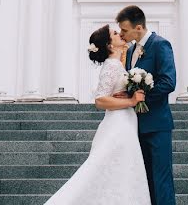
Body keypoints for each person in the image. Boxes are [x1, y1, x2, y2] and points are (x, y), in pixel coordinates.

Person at [43, 24, 150, 205]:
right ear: (109, 45)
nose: (120, 34)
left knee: (122, 170)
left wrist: (131, 93)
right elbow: (100, 100)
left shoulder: (117, 64)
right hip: (118, 124)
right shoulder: (111, 66)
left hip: (126, 122)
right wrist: (131, 102)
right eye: (115, 34)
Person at [115, 5, 177, 205]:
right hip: (136, 126)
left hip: (158, 125)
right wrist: (125, 95)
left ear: (139, 27)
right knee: (144, 181)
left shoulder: (161, 45)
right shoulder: (131, 49)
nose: (122, 34)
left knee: (162, 180)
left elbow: (168, 81)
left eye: (124, 30)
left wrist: (143, 99)